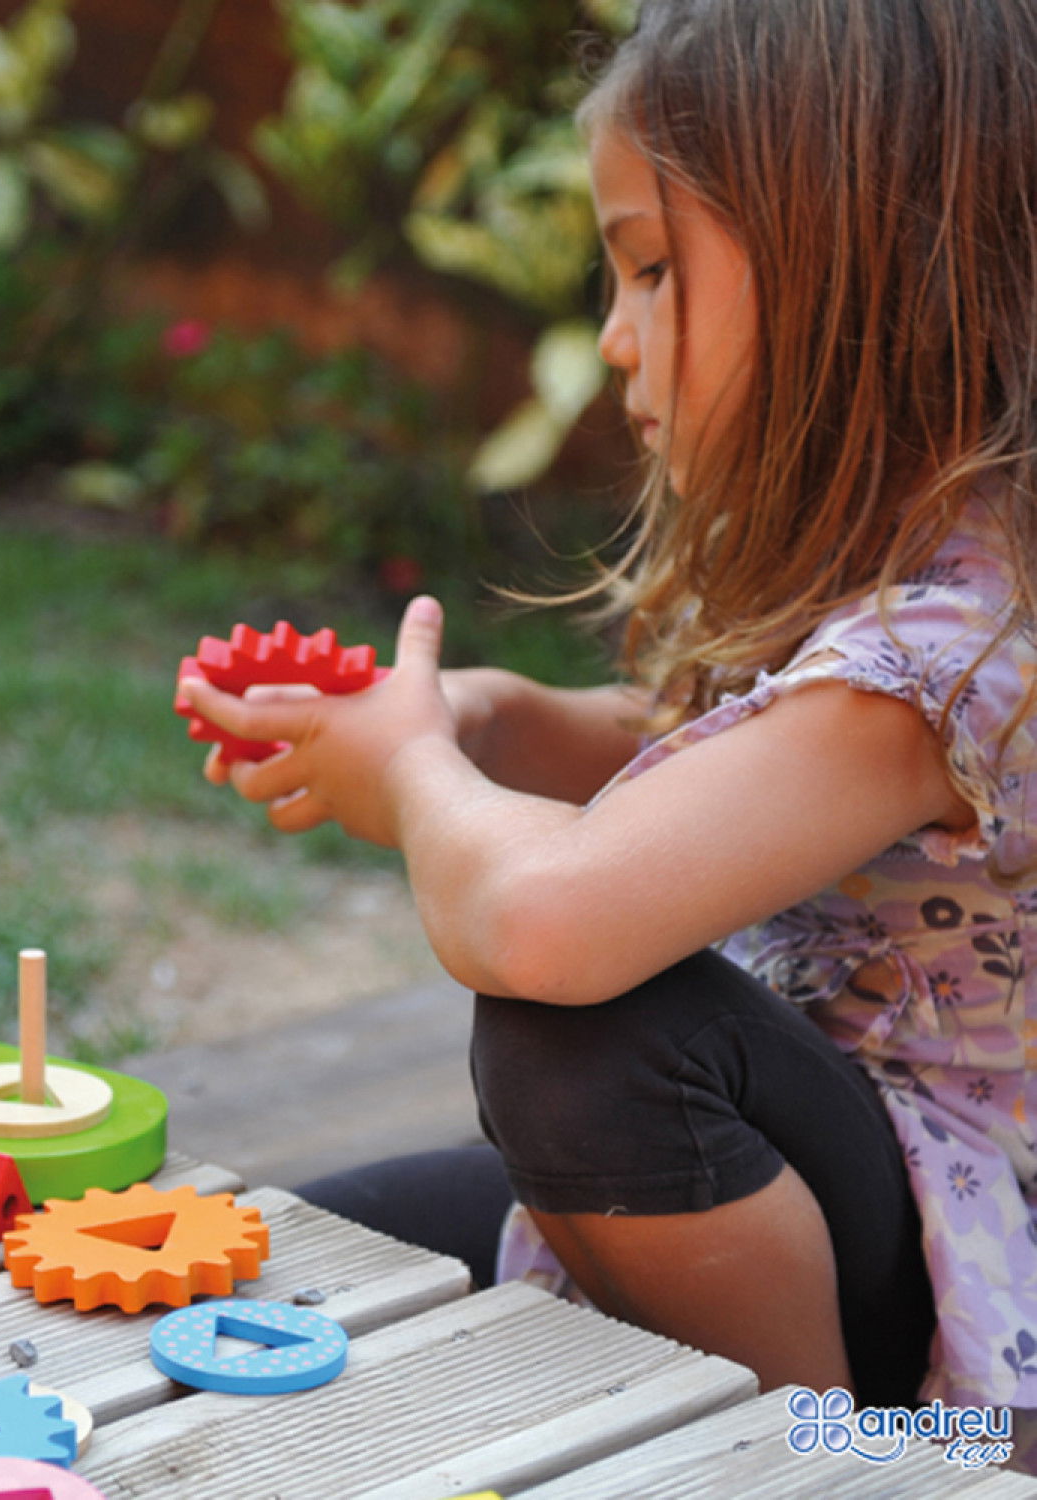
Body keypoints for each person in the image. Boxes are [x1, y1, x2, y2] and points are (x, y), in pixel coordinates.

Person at [179, 0, 1037, 1426]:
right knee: (290, 1256)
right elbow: (709, 770)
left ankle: (814, 1462)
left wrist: (416, 777)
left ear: (852, 268)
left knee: (583, 1039)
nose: (614, 341)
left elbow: (545, 926)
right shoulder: (910, 582)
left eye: (649, 270)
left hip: (964, 1301)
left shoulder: (956, 654)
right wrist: (490, 720)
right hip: (830, 1193)